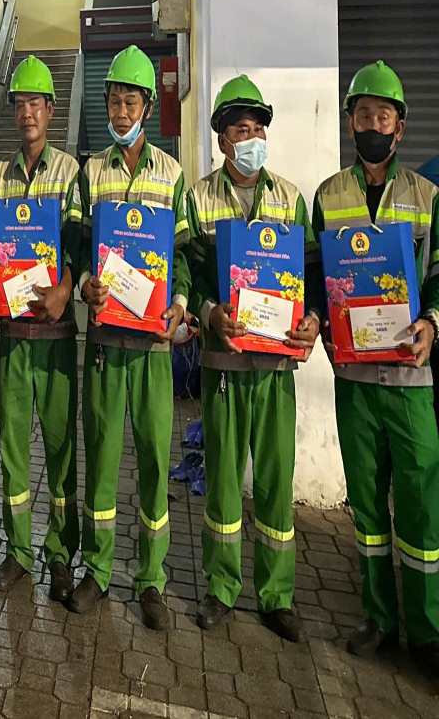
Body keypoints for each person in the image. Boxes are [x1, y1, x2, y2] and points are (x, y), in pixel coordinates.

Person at [185, 75, 321, 643]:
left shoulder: (290, 198)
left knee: (274, 479)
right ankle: (221, 588)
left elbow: (312, 273)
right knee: (221, 482)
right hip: (223, 366)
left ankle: (276, 594)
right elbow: (187, 273)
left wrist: (312, 317)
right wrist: (210, 311)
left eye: (258, 128)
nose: (252, 137)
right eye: (241, 129)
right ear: (221, 140)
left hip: (275, 370)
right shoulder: (198, 198)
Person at [313, 61, 439, 670]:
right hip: (354, 379)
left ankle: (426, 629)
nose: (370, 125)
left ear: (399, 127)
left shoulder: (426, 197)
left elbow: (438, 276)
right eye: (361, 115)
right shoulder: (328, 195)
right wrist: (321, 328)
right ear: (349, 123)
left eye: (380, 116)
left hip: (411, 378)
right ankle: (378, 618)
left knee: (419, 502)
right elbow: (313, 275)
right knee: (367, 507)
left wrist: (432, 323)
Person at [71, 45, 189, 630]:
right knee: (102, 457)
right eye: (114, 100)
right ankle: (96, 569)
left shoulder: (172, 174)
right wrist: (88, 282)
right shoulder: (90, 171)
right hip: (105, 345)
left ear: (147, 104)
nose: (121, 111)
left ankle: (152, 578)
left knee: (152, 460)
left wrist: (183, 301)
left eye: (130, 100)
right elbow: (72, 244)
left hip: (154, 349)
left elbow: (186, 255)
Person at [0, 56, 80, 600]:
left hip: (57, 336)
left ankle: (61, 553)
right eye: (19, 104)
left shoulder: (72, 174)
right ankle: (19, 551)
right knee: (13, 448)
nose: (27, 113)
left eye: (35, 104)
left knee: (62, 448)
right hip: (13, 337)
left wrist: (67, 287)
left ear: (51, 110)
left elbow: (82, 245)